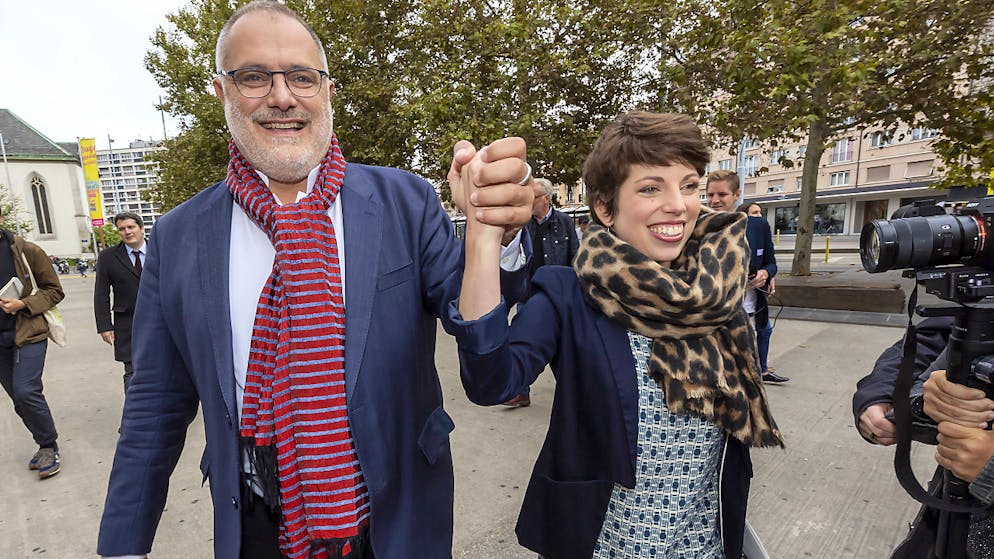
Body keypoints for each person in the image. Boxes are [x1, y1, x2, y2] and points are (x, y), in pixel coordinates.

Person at [96, 3, 533, 559]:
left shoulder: (404, 202)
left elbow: (489, 374)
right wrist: (122, 548)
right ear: (221, 93)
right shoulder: (179, 237)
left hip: (398, 517)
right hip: (257, 521)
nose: (282, 96)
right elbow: (153, 410)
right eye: (254, 77)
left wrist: (487, 234)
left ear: (326, 90)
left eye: (302, 77)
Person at [447, 111, 783, 558]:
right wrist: (484, 239)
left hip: (706, 543)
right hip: (608, 543)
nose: (678, 204)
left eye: (688, 185)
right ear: (604, 208)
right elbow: (492, 382)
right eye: (650, 188)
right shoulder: (568, 292)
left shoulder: (716, 289)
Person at [501, 177, 580, 407]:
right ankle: (521, 392)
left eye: (532, 197)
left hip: (558, 295)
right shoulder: (524, 224)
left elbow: (575, 256)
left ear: (546, 198)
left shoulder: (564, 221)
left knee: (564, 347)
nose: (528, 201)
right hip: (529, 294)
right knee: (524, 342)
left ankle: (572, 394)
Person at [708, 174, 787, 383]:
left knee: (745, 380)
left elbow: (771, 262)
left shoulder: (758, 227)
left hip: (751, 313)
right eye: (710, 194)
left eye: (722, 194)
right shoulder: (695, 227)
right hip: (714, 321)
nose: (715, 200)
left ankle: (761, 372)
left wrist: (766, 274)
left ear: (737, 195)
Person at [0, 224, 65, 479]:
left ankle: (49, 445)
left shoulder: (26, 250)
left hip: (29, 332)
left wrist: (23, 303)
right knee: (18, 398)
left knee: (27, 391)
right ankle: (43, 442)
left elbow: (54, 290)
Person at [94, 212, 146, 392]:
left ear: (141, 228)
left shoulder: (160, 250)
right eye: (122, 229)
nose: (127, 232)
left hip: (161, 319)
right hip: (127, 323)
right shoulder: (108, 257)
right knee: (132, 372)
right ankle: (136, 415)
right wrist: (104, 325)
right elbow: (101, 293)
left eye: (131, 227)